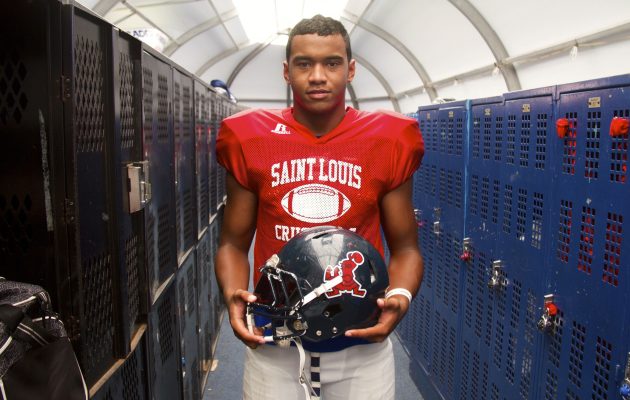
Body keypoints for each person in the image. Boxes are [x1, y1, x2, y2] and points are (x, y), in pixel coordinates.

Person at [215, 14, 425, 400]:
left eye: (331, 63)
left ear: (350, 70)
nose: (317, 76)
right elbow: (232, 243)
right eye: (304, 63)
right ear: (286, 71)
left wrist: (401, 296)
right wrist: (232, 295)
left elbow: (406, 247)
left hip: (359, 343)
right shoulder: (251, 138)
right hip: (275, 339)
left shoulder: (387, 140)